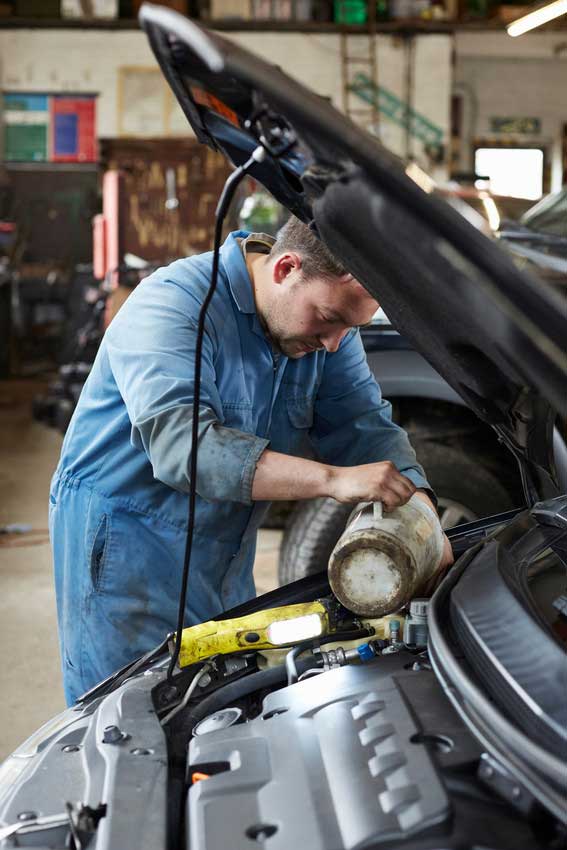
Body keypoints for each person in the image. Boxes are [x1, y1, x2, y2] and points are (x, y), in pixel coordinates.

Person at [49, 216, 452, 705]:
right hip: (127, 549)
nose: (334, 342)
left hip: (224, 552)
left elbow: (362, 423)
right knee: (130, 711)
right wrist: (331, 479)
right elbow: (184, 447)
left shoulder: (327, 330)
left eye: (351, 327)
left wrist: (422, 511)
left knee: (216, 702)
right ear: (285, 269)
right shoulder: (174, 303)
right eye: (329, 318)